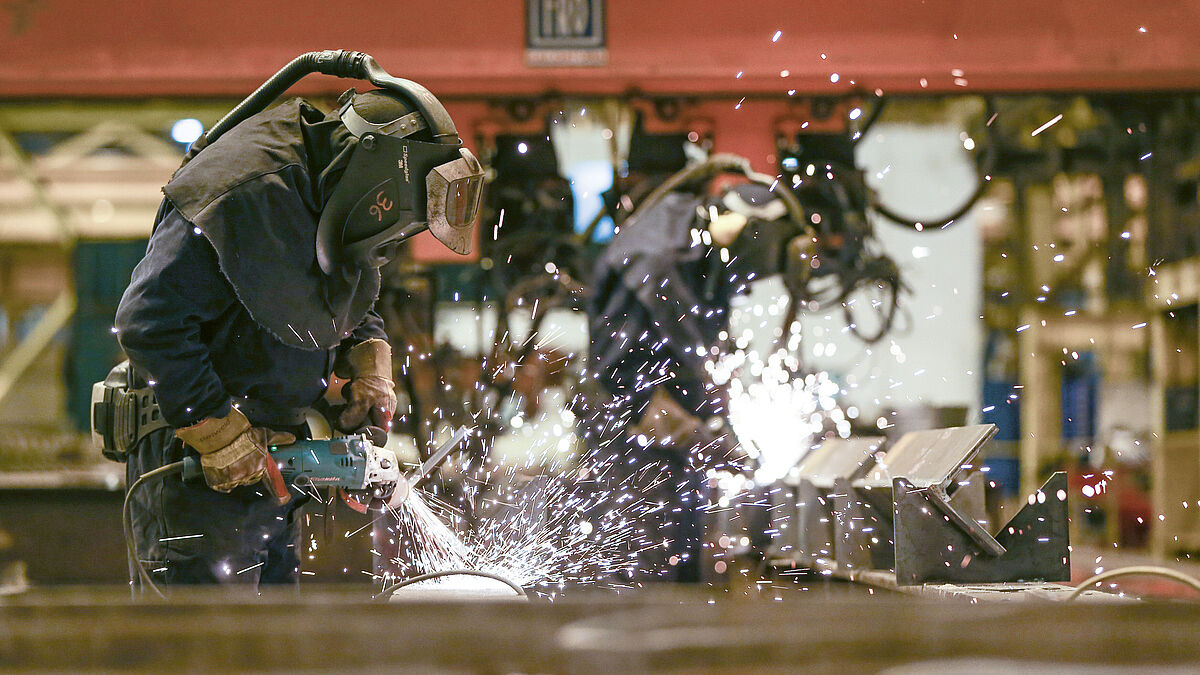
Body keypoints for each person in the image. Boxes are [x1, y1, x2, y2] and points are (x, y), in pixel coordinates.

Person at [112, 80, 482, 588]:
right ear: (376, 179)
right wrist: (216, 428)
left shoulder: (326, 197)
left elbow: (342, 291)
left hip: (267, 476)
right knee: (206, 657)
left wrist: (364, 361)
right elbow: (147, 322)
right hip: (194, 473)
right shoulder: (244, 192)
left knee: (273, 652)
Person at [585, 179, 810, 582]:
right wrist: (704, 438)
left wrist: (720, 426)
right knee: (647, 569)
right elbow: (625, 384)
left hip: (666, 438)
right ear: (745, 228)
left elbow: (696, 362)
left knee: (681, 562)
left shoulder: (704, 249)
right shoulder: (661, 261)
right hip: (630, 438)